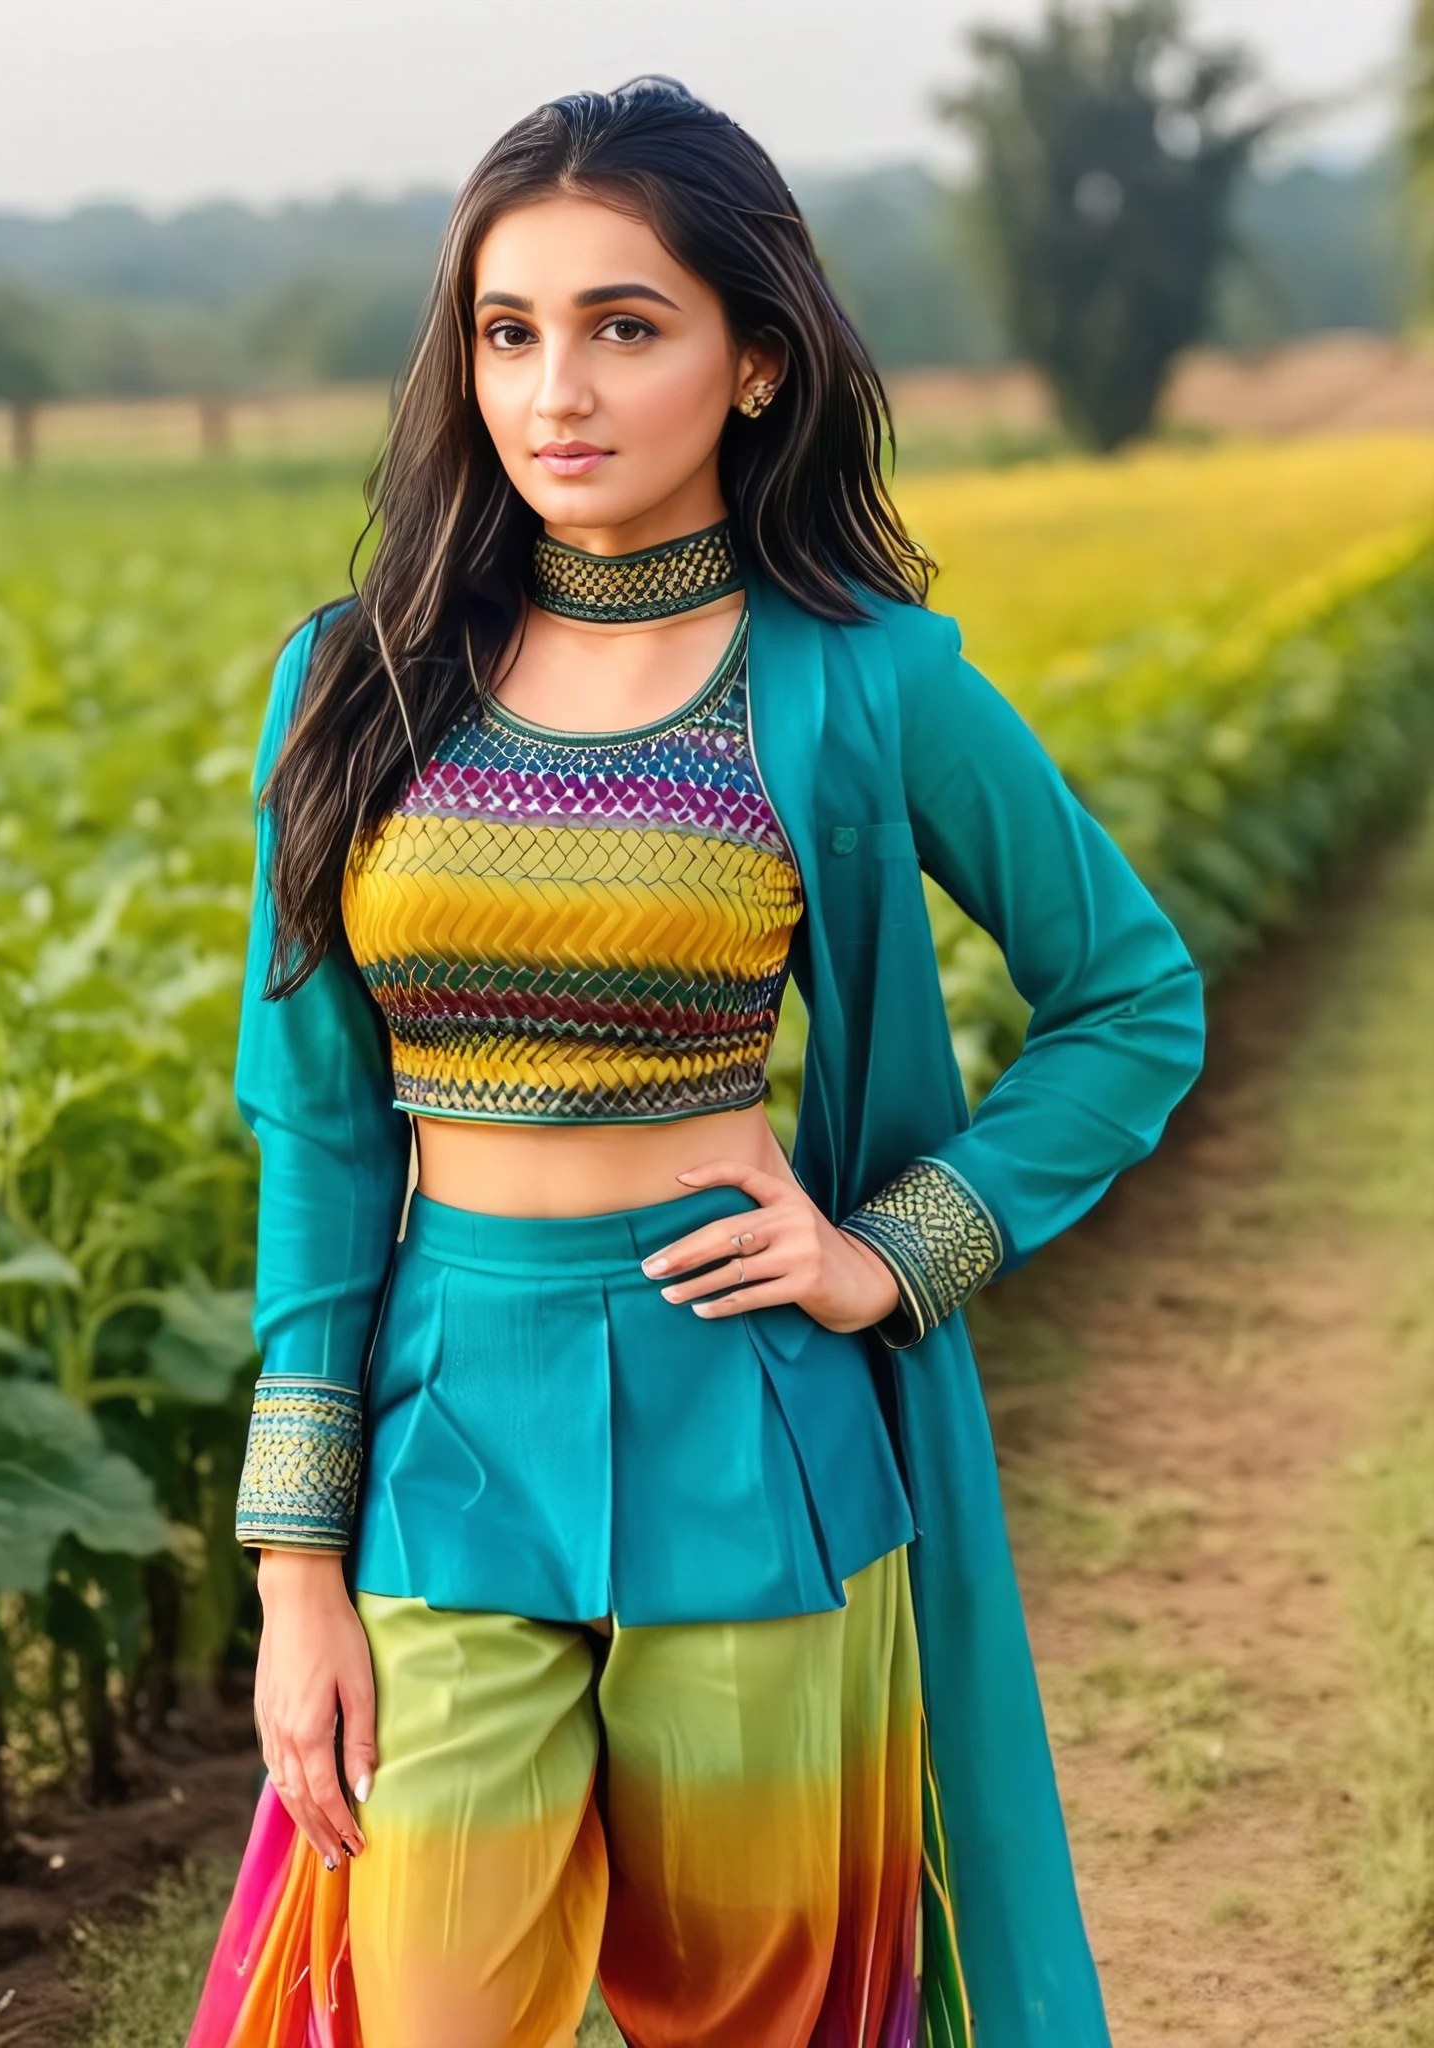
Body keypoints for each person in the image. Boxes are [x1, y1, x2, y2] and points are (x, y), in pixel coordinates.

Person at [187, 76, 1205, 2048]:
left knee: (766, 2020)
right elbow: (314, 1127)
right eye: (510, 330)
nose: (554, 386)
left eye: (623, 326)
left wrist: (897, 1246)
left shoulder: (862, 676)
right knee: (432, 2001)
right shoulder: (359, 677)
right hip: (442, 1429)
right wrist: (294, 1566)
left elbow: (1132, 992)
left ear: (753, 362)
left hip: (756, 1422)